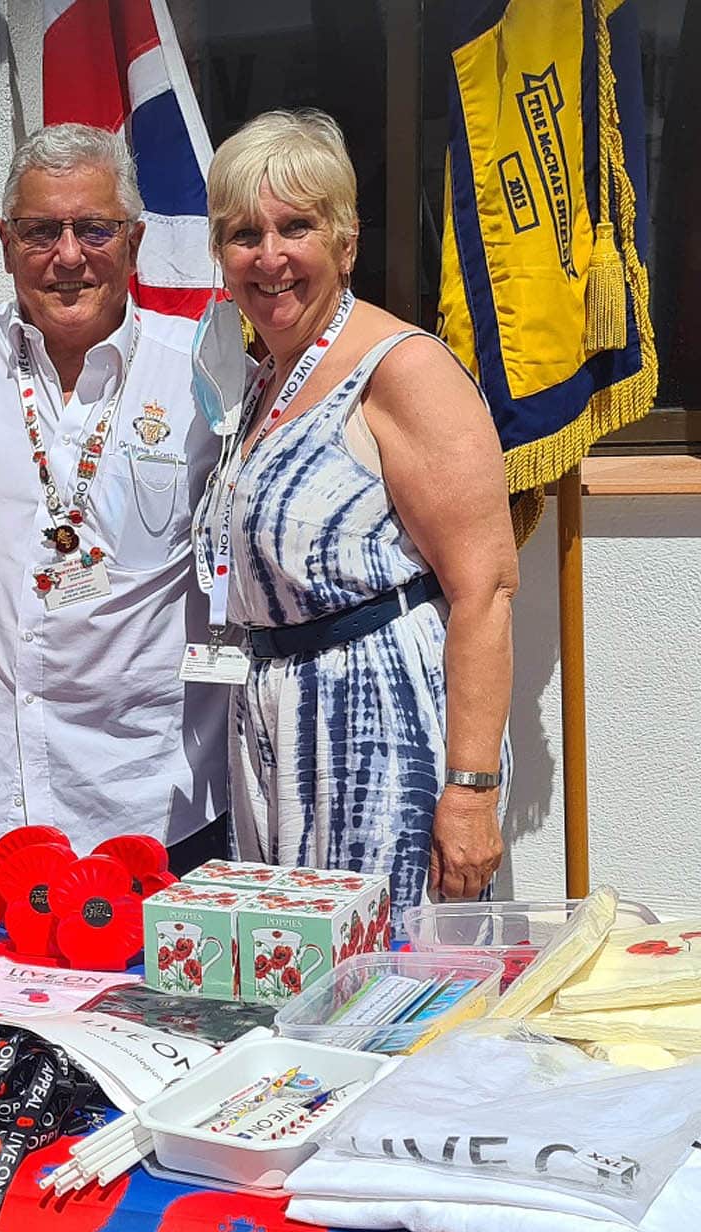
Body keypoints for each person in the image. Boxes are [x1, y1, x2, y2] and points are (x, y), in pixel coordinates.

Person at [0, 125, 228, 867]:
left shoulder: (204, 372)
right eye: (41, 231)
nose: (68, 256)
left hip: (154, 810)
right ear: (5, 243)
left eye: (94, 228)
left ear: (132, 242)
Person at [204, 110, 517, 908]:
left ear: (345, 243)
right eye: (243, 234)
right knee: (296, 986)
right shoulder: (260, 379)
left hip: (379, 726)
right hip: (274, 722)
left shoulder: (403, 369)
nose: (269, 257)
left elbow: (485, 590)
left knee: (381, 995)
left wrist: (472, 791)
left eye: (294, 227)